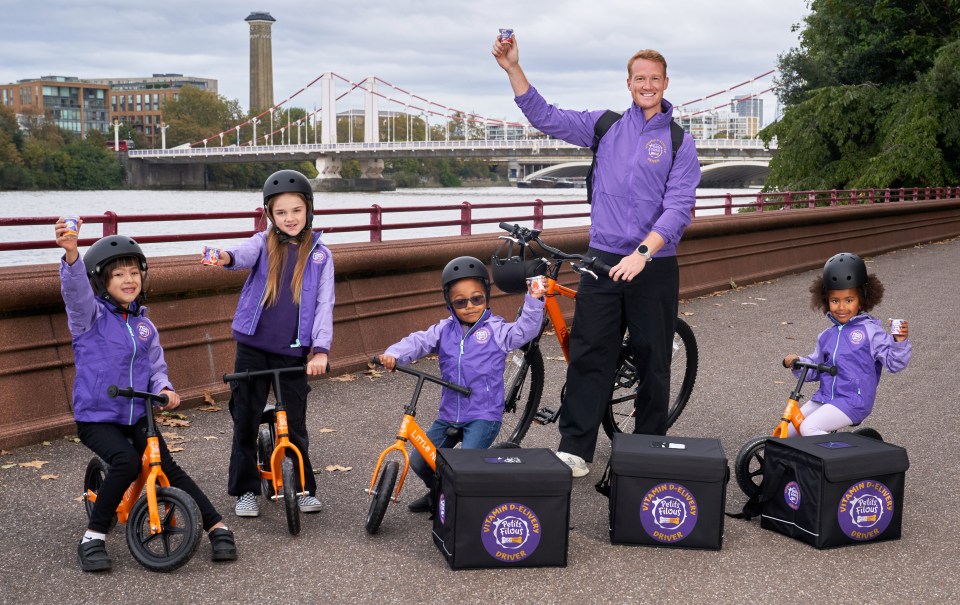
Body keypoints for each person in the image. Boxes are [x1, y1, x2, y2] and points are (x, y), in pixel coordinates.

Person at [492, 38, 702, 476]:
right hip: (602, 259)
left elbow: (679, 207)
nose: (647, 85)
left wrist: (644, 252)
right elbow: (545, 116)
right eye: (639, 78)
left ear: (666, 84)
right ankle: (576, 447)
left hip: (654, 265)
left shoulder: (679, 141)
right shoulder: (605, 127)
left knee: (651, 356)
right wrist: (513, 67)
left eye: (654, 79)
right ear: (628, 84)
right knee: (590, 352)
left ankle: (645, 449)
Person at [55, 225, 237, 572]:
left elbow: (155, 367)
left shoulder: (144, 325)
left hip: (138, 413)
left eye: (135, 272)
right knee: (126, 461)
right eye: (119, 274)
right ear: (101, 283)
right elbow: (75, 292)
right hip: (97, 417)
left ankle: (216, 525)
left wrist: (165, 389)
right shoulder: (88, 318)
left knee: (167, 465)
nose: (129, 279)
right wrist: (72, 255)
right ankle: (92, 537)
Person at [209, 169, 333, 518]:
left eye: (296, 210)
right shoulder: (262, 243)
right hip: (252, 347)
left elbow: (325, 304)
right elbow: (242, 254)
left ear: (309, 209)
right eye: (281, 212)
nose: (290, 218)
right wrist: (226, 257)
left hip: (293, 352)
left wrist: (320, 349)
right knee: (245, 419)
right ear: (269, 215)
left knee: (295, 424)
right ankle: (245, 489)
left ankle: (304, 487)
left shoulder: (320, 255)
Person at [378, 256, 544, 511]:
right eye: (460, 301)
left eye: (476, 298)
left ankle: (465, 509)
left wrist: (534, 297)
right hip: (449, 414)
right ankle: (437, 494)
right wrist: (393, 355)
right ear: (450, 303)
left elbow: (524, 331)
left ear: (486, 296)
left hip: (482, 414)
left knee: (463, 468)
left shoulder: (496, 331)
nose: (469, 306)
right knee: (421, 461)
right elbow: (418, 341)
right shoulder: (444, 330)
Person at [782, 252, 911, 435]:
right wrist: (797, 362)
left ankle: (834, 461)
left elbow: (894, 363)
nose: (841, 307)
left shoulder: (870, 332)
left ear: (862, 300)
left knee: (809, 427)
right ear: (826, 300)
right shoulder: (826, 336)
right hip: (826, 397)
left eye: (848, 300)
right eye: (835, 300)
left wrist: (899, 342)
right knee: (789, 430)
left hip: (853, 401)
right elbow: (815, 367)